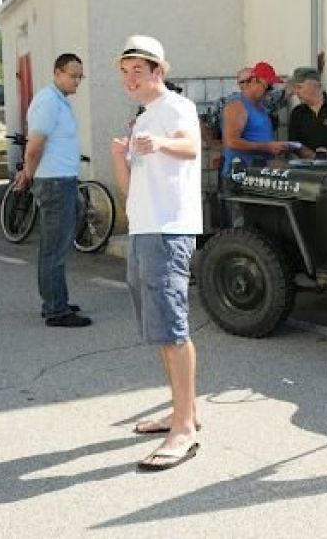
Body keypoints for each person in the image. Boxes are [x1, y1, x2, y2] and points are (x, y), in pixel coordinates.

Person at [110, 35, 203, 472]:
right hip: (144, 228)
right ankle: (183, 411)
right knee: (160, 328)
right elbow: (130, 188)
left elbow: (190, 147)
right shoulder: (143, 117)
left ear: (158, 71)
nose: (130, 78)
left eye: (138, 70)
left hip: (168, 230)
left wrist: (160, 144)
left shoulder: (176, 107)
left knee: (172, 329)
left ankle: (183, 429)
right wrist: (120, 155)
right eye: (124, 71)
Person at [14, 53, 91, 328]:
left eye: (80, 76)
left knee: (59, 242)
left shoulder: (60, 101)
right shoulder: (48, 101)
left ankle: (55, 298)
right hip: (54, 183)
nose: (77, 81)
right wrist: (28, 173)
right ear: (57, 73)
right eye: (72, 76)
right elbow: (35, 146)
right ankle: (56, 310)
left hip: (64, 180)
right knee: (53, 249)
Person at [220, 61, 292, 177]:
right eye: (268, 86)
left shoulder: (260, 106)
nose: (269, 91)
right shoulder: (237, 105)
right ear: (254, 80)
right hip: (241, 175)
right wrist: (267, 147)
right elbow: (232, 142)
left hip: (258, 172)